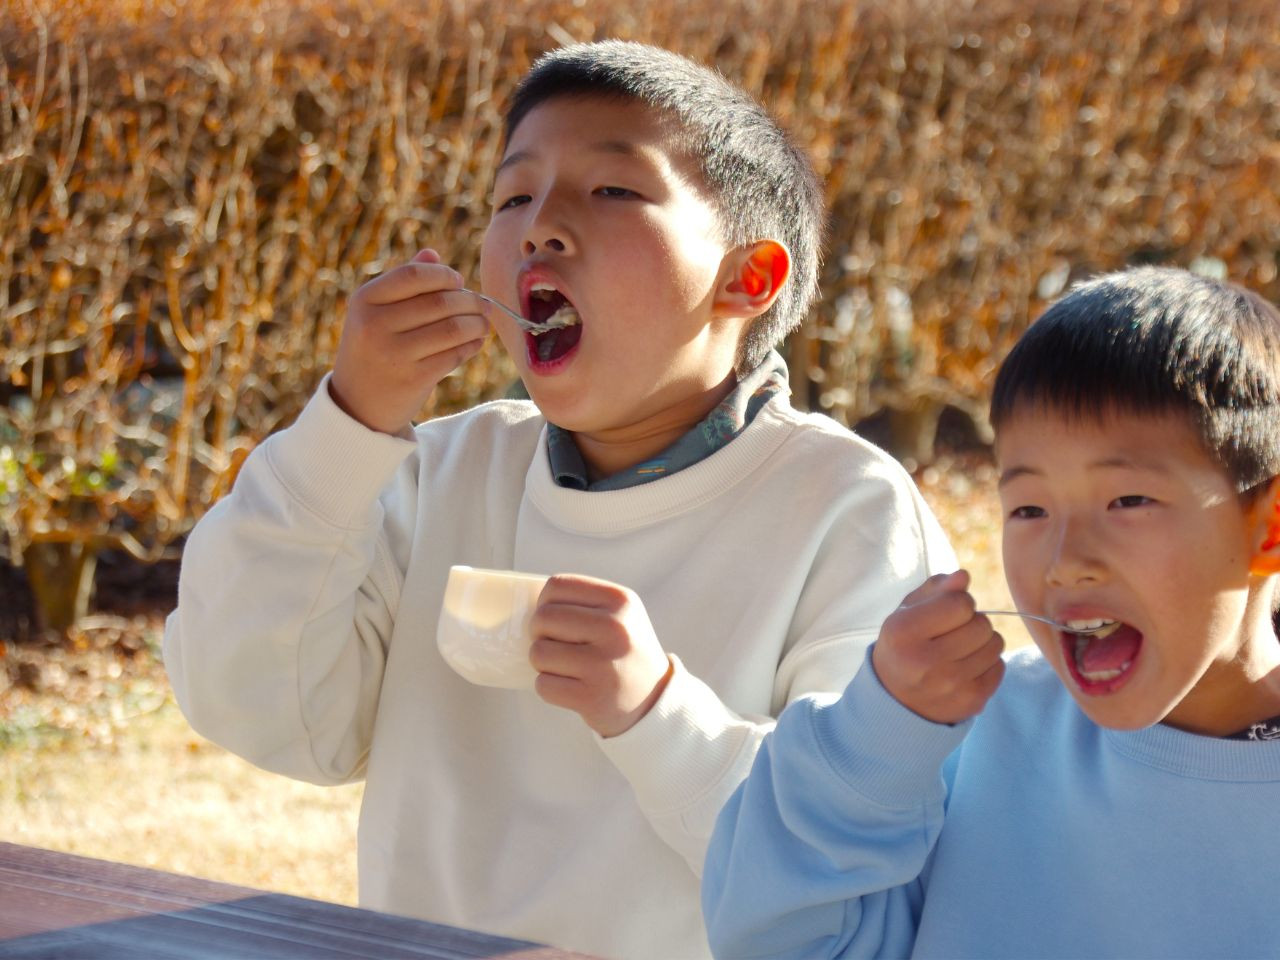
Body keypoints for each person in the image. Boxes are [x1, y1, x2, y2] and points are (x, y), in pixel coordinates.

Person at [163, 40, 956, 960]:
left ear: (749, 279)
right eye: (513, 197)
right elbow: (261, 710)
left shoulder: (845, 508)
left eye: (613, 190)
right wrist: (345, 426)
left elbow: (854, 860)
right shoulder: (437, 468)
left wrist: (656, 712)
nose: (541, 226)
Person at [702, 265, 1280, 959]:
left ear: (1267, 528)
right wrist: (878, 731)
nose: (1065, 561)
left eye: (1127, 501)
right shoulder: (964, 744)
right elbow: (779, 939)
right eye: (1029, 509)